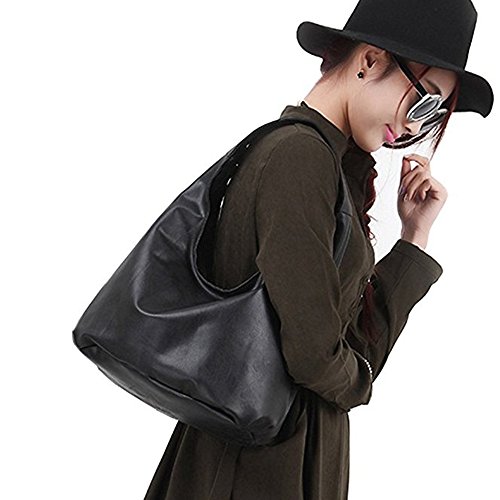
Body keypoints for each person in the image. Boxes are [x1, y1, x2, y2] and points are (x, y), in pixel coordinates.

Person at [144, 0, 493, 498]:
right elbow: (316, 356)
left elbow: (353, 349)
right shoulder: (299, 156)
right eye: (423, 103)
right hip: (257, 467)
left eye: (434, 115)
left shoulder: (329, 169)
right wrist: (358, 383)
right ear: (369, 60)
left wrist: (414, 237)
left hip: (285, 455)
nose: (417, 128)